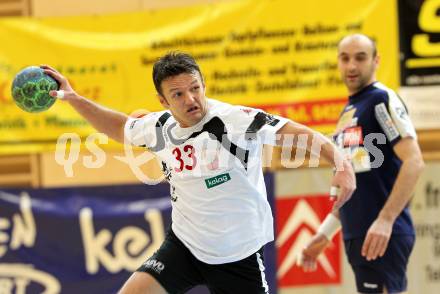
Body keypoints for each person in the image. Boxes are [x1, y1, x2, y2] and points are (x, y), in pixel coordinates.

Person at [42, 51, 355, 294]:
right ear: (162, 101)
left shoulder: (235, 121)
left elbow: (297, 132)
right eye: (177, 94)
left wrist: (340, 163)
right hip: (184, 246)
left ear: (204, 85)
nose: (190, 99)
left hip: (237, 254)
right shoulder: (159, 127)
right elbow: (121, 128)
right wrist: (74, 98)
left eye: (195, 88)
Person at [298, 34, 425, 294]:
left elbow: (414, 161)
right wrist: (324, 235)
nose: (352, 66)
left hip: (381, 235)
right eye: (345, 59)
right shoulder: (349, 111)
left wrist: (386, 220)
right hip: (358, 236)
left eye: (360, 57)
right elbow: (353, 184)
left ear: (376, 61)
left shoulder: (380, 100)